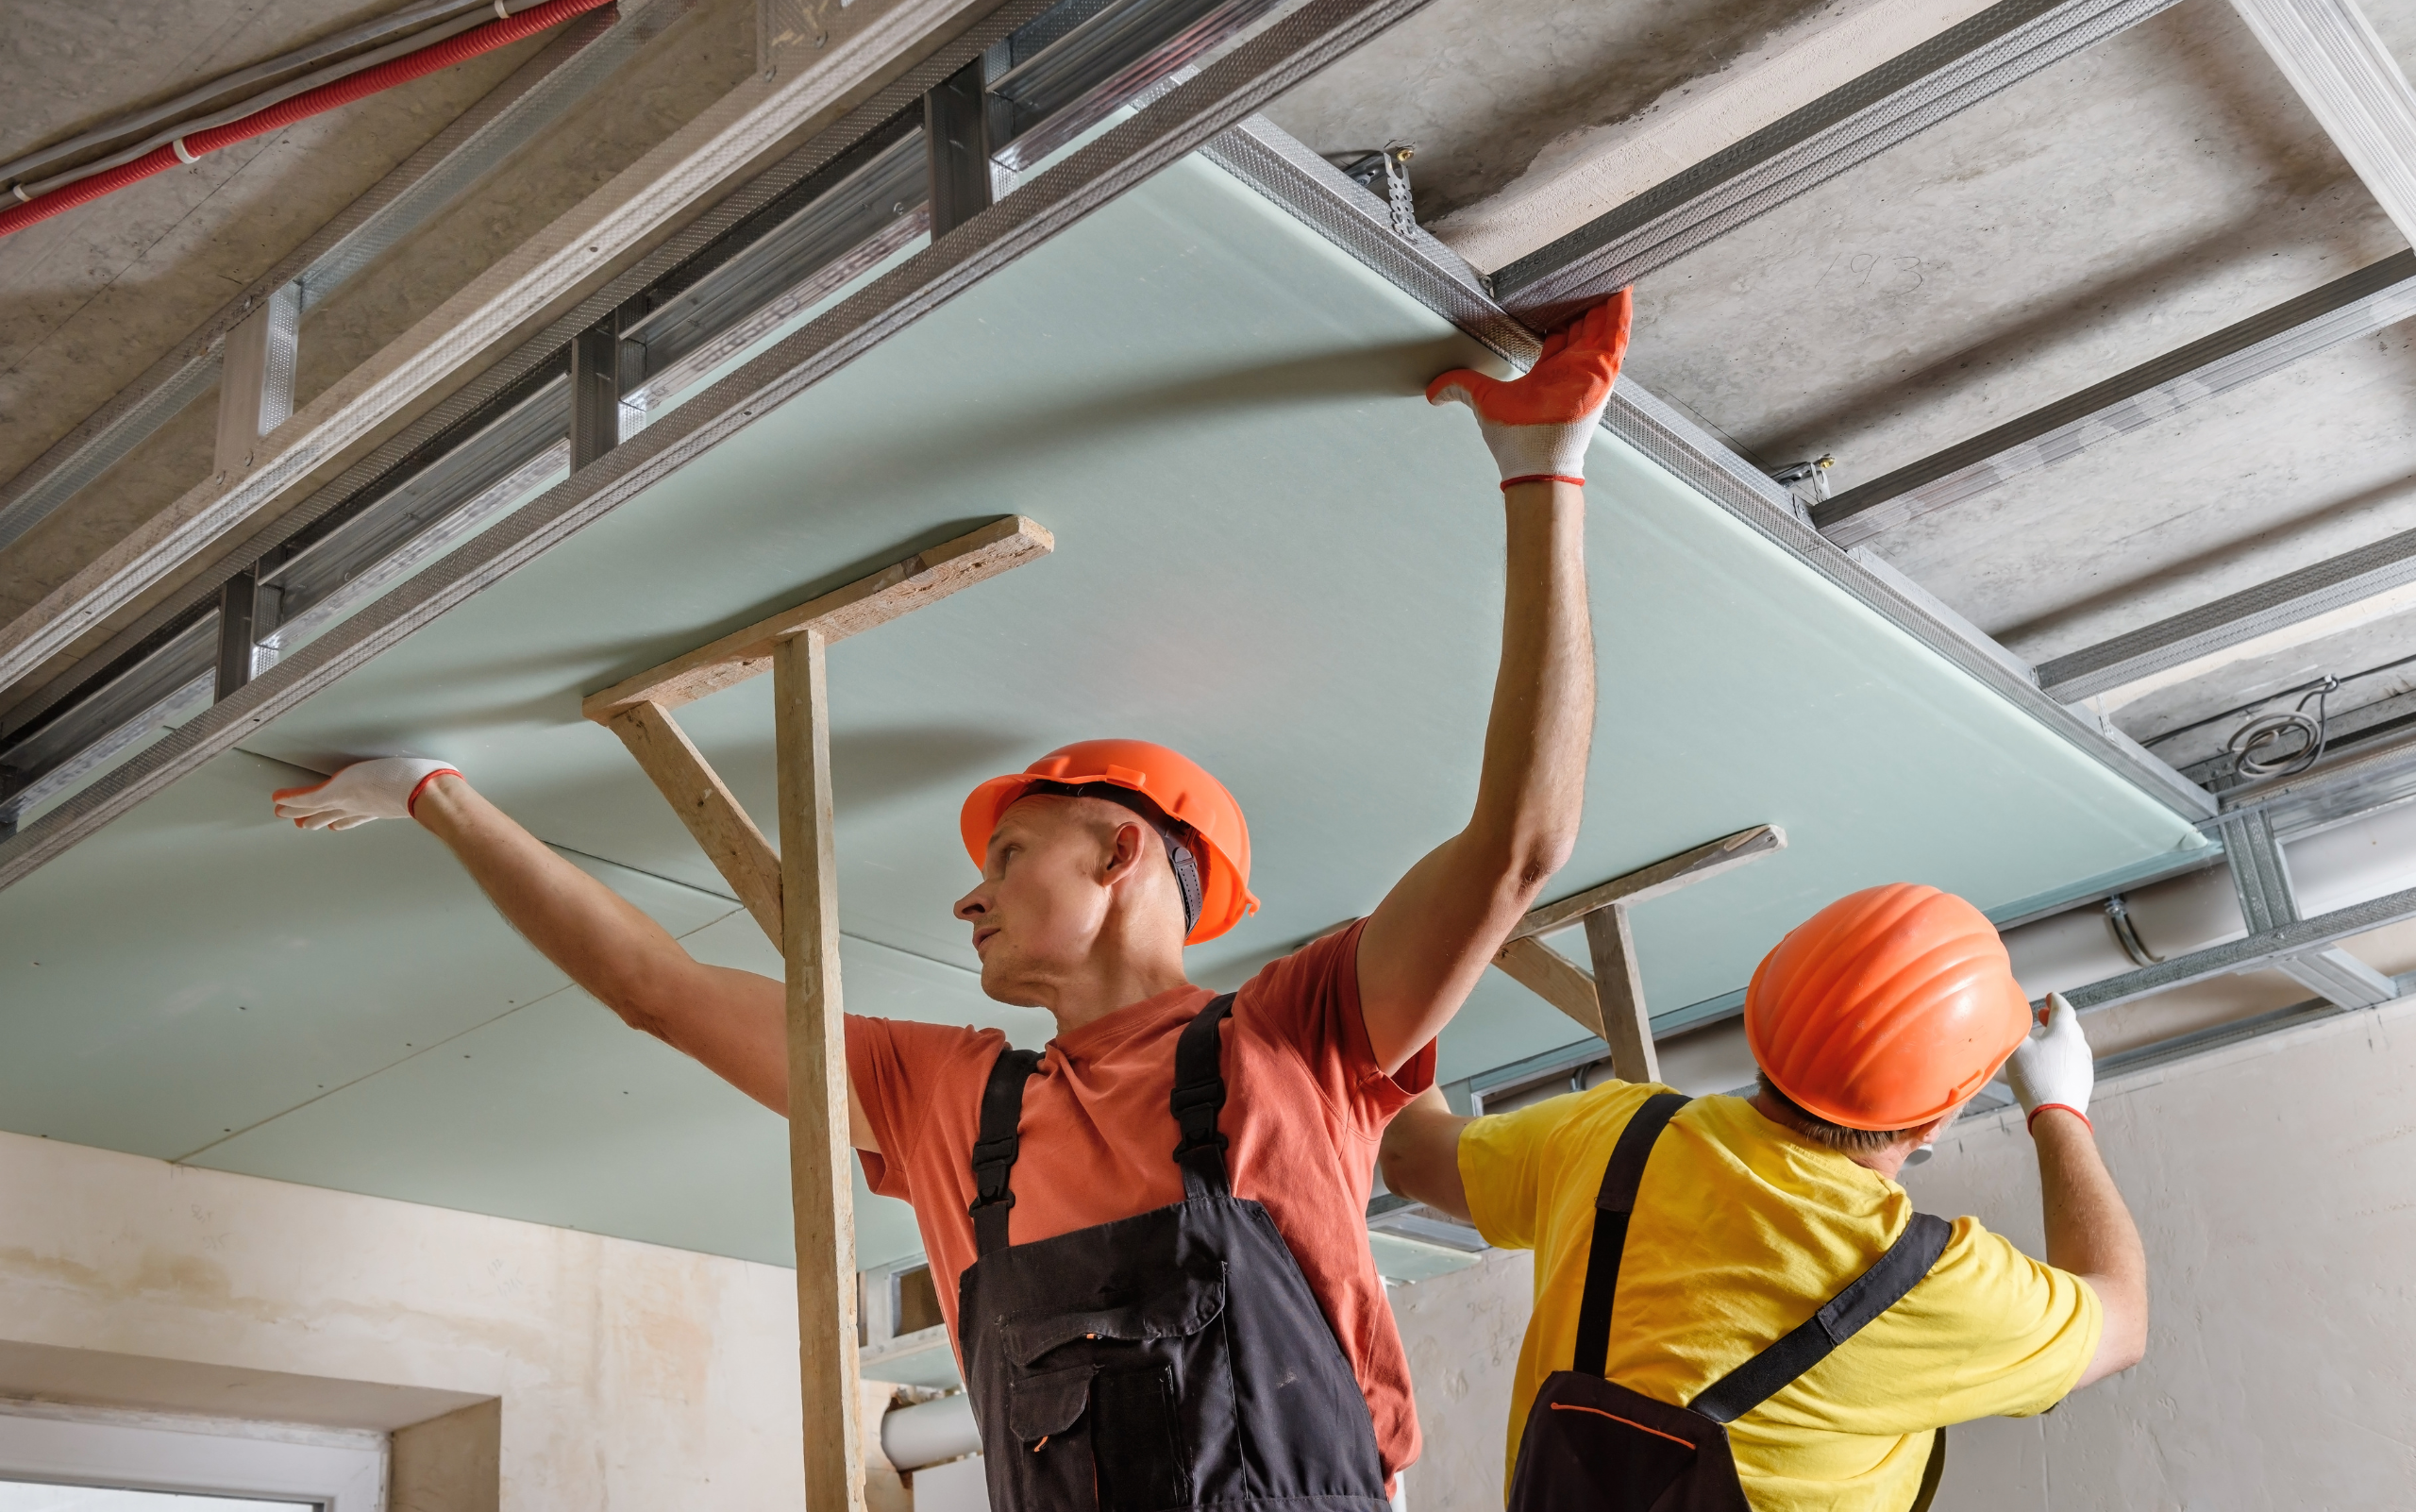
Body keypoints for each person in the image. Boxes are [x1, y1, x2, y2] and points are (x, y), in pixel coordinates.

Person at [269, 295, 1635, 1510]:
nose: (968, 899)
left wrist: (1542, 468)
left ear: (1118, 853)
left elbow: (1521, 843)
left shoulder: (1298, 1034)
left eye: (1010, 857)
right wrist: (435, 796)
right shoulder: (949, 1104)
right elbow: (659, 991)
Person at [1376, 882, 2148, 1512]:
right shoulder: (1930, 1282)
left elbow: (1410, 1154)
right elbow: (2121, 1322)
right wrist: (2059, 1110)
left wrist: (1387, 972)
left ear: (1768, 1016)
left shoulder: (1616, 1134)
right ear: (1939, 1113)